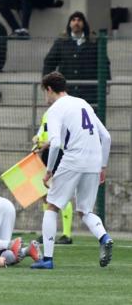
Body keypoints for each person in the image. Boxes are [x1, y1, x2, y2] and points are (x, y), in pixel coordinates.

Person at [31, 71, 113, 269]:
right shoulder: (83, 103)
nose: (46, 98)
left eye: (45, 93)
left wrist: (49, 171)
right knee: (85, 210)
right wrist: (102, 166)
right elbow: (107, 137)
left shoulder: (54, 110)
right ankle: (104, 237)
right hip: (94, 161)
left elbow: (57, 144)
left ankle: (47, 260)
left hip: (73, 159)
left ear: (49, 90)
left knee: (51, 206)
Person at [43, 11, 111, 104]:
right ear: (69, 24)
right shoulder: (61, 42)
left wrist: (106, 83)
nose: (76, 23)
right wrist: (48, 84)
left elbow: (104, 63)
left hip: (90, 92)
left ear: (84, 24)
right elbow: (49, 62)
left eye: (79, 20)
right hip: (66, 91)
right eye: (73, 20)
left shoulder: (94, 42)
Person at [32, 111, 73, 245]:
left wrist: (47, 143)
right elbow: (42, 130)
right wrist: (37, 138)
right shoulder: (47, 114)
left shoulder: (63, 113)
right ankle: (47, 232)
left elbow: (61, 138)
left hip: (58, 153)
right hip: (46, 154)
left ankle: (67, 234)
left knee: (60, 192)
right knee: (45, 194)